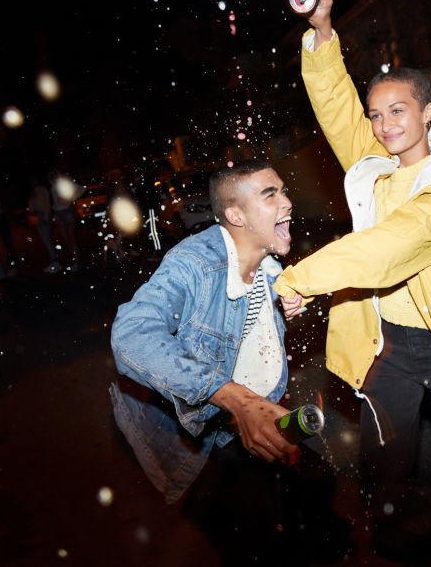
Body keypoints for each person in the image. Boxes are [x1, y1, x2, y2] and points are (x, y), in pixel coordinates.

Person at [272, 0, 431, 562]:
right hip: (387, 346)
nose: (383, 126)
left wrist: (299, 277)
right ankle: (408, 549)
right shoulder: (374, 166)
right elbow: (338, 110)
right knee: (386, 466)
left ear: (428, 112)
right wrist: (323, 31)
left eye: (397, 110)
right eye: (377, 115)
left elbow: (391, 247)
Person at [110, 159, 346, 564]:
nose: (287, 202)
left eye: (284, 190)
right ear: (235, 214)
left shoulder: (270, 268)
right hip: (192, 435)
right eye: (270, 195)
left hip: (239, 421)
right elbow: (130, 335)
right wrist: (238, 401)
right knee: (254, 537)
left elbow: (251, 346)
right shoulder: (196, 264)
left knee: (317, 486)